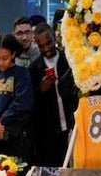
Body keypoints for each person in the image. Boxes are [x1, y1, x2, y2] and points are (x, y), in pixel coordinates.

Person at [27, 23, 77, 167]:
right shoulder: (34, 68)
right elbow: (31, 102)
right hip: (47, 131)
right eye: (41, 46)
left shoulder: (69, 60)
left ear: (55, 38)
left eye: (48, 43)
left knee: (72, 168)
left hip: (71, 123)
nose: (46, 48)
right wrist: (40, 89)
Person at [0, 34, 34, 160]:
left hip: (15, 136)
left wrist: (1, 121)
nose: (0, 62)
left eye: (5, 58)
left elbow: (22, 102)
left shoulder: (21, 73)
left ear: (13, 54)